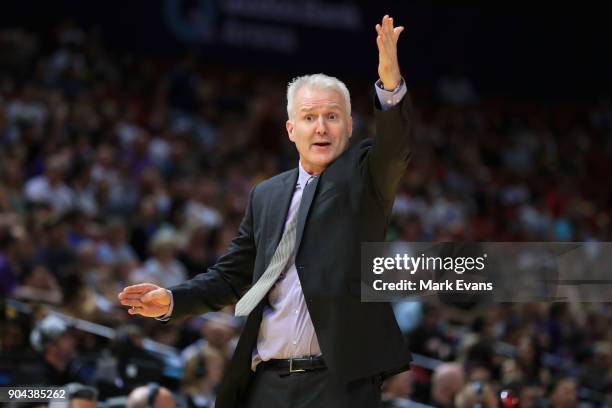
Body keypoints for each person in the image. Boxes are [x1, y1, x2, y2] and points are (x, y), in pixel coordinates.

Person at [119, 14, 412, 408]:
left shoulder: (365, 176)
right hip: (266, 383)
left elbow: (393, 150)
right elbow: (230, 276)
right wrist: (172, 300)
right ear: (291, 129)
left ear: (349, 125)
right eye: (309, 118)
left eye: (332, 116)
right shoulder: (267, 195)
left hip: (336, 385)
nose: (321, 127)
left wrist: (390, 86)